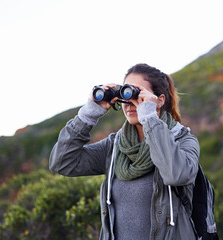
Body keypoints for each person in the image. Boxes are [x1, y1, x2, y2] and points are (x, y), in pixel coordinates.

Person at [49, 63, 200, 240]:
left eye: (136, 93)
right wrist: (88, 115)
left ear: (159, 100)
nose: (129, 102)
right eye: (125, 94)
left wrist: (149, 119)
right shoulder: (114, 148)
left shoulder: (183, 141)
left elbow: (176, 174)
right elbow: (62, 163)